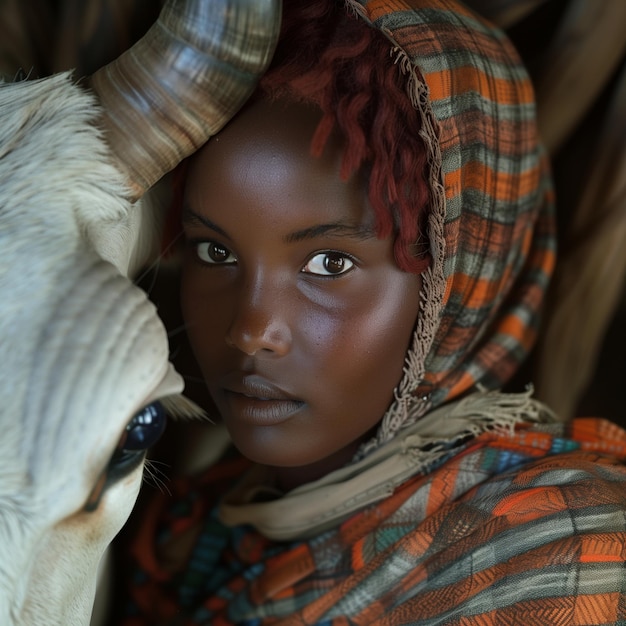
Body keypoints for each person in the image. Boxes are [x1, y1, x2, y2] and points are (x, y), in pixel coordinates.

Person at [117, 0, 626, 623]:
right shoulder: (187, 534)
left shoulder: (563, 562)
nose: (250, 331)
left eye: (329, 264)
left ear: (457, 279)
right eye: (215, 250)